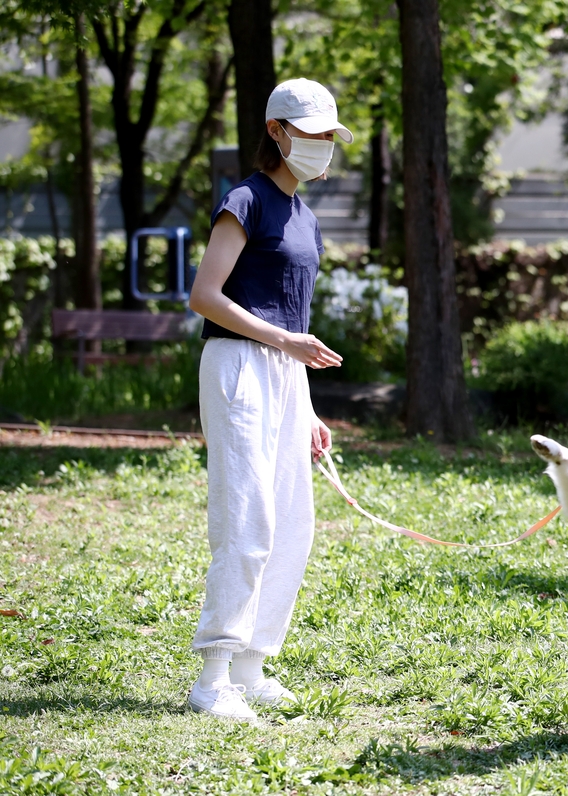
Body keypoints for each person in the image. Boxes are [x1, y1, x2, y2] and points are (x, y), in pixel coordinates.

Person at [186, 78, 353, 719]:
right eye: (310, 134)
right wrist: (283, 340)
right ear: (277, 132)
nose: (322, 147)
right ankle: (213, 677)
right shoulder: (245, 201)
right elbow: (206, 295)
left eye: (328, 137)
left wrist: (306, 406)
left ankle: (253, 666)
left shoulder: (306, 217)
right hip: (236, 367)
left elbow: (294, 315)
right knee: (248, 519)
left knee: (291, 523)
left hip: (284, 375)